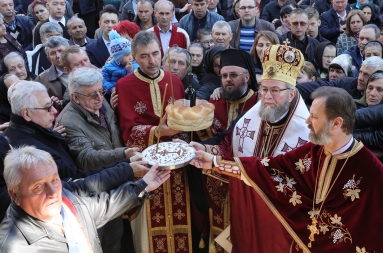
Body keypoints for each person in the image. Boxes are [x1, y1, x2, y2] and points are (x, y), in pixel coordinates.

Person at [190, 85, 383, 251]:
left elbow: (381, 238)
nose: (307, 121)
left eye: (314, 117)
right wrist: (215, 163)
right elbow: (267, 168)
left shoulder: (374, 176)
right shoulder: (313, 151)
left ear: (336, 124)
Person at [190, 44, 310, 252]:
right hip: (247, 209)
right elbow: (230, 146)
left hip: (280, 221)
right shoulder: (253, 115)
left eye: (275, 90)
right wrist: (205, 150)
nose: (267, 97)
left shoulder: (307, 131)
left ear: (291, 94)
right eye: (264, 89)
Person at [0, 145, 170, 252]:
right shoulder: (14, 246)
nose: (53, 192)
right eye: (38, 187)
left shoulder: (65, 199)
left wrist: (143, 185)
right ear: (15, 194)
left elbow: (104, 205)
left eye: (55, 180)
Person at [115, 30, 196, 253]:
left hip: (177, 164)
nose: (152, 61)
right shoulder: (124, 86)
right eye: (144, 56)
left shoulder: (174, 80)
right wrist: (159, 131)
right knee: (149, 224)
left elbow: (183, 120)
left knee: (180, 217)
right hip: (147, 165)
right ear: (133, 57)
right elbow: (128, 132)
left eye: (155, 54)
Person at [296, 56, 383, 105]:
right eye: (360, 72)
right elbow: (321, 87)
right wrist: (293, 90)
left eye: (366, 75)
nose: (360, 78)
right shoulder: (347, 83)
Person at [34, 36, 70, 108]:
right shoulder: (42, 79)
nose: (58, 56)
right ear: (48, 58)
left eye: (60, 51)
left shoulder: (84, 68)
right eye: (53, 53)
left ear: (69, 51)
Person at [101, 30, 138, 95]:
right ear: (118, 57)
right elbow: (104, 81)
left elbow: (138, 77)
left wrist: (130, 70)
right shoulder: (107, 67)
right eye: (126, 55)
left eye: (131, 53)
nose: (130, 57)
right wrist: (111, 88)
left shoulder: (134, 63)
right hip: (116, 94)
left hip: (132, 92)